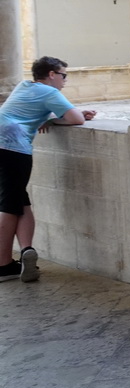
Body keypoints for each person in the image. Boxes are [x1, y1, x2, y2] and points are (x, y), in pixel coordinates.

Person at [0, 57, 96, 282]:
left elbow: (33, 112)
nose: (65, 81)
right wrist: (71, 116)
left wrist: (51, 119)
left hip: (3, 144)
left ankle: (26, 251)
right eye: (63, 75)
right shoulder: (50, 93)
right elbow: (76, 120)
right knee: (8, 205)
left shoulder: (24, 86)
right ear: (52, 74)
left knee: (19, 202)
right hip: (14, 149)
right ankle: (2, 265)